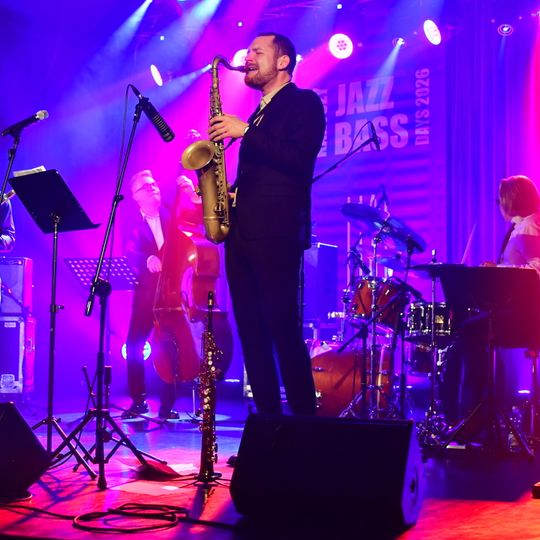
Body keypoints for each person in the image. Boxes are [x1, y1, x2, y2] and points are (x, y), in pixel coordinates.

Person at [208, 32, 326, 415]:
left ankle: (305, 428)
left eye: (257, 52)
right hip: (242, 233)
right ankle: (268, 426)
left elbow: (298, 160)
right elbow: (263, 173)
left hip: (276, 233)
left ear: (283, 61)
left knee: (283, 331)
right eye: (248, 51)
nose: (248, 57)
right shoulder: (260, 110)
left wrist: (245, 131)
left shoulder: (304, 102)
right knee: (251, 335)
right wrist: (228, 193)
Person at [122, 168, 203, 420]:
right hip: (147, 295)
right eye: (145, 186)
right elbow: (128, 251)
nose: (152, 187)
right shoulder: (130, 222)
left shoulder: (173, 212)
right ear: (135, 196)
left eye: (153, 183)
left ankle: (168, 406)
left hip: (175, 292)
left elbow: (199, 220)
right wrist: (147, 259)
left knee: (169, 347)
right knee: (134, 346)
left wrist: (192, 194)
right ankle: (139, 400)